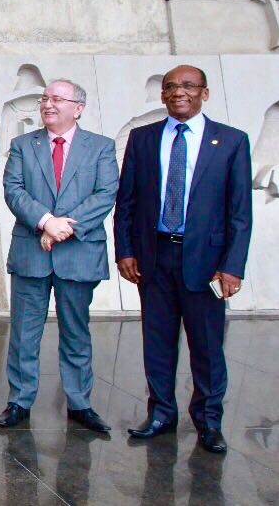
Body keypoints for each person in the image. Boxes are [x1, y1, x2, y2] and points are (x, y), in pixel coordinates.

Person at [115, 65, 252, 454]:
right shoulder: (143, 139)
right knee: (156, 341)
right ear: (162, 96)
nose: (179, 92)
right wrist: (124, 250)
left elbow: (240, 213)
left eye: (189, 86)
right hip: (153, 256)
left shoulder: (230, 141)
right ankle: (160, 414)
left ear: (204, 93)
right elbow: (126, 202)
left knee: (207, 346)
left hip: (206, 262)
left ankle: (209, 422)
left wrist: (232, 265)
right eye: (171, 87)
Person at [0, 79, 117, 432]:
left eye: (57, 99)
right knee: (23, 332)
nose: (48, 104)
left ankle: (80, 402)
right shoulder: (23, 145)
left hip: (78, 252)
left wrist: (66, 228)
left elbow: (105, 193)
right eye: (44, 98)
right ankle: (19, 400)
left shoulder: (101, 147)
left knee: (76, 331)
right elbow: (13, 189)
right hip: (32, 252)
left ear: (78, 107)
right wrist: (47, 222)